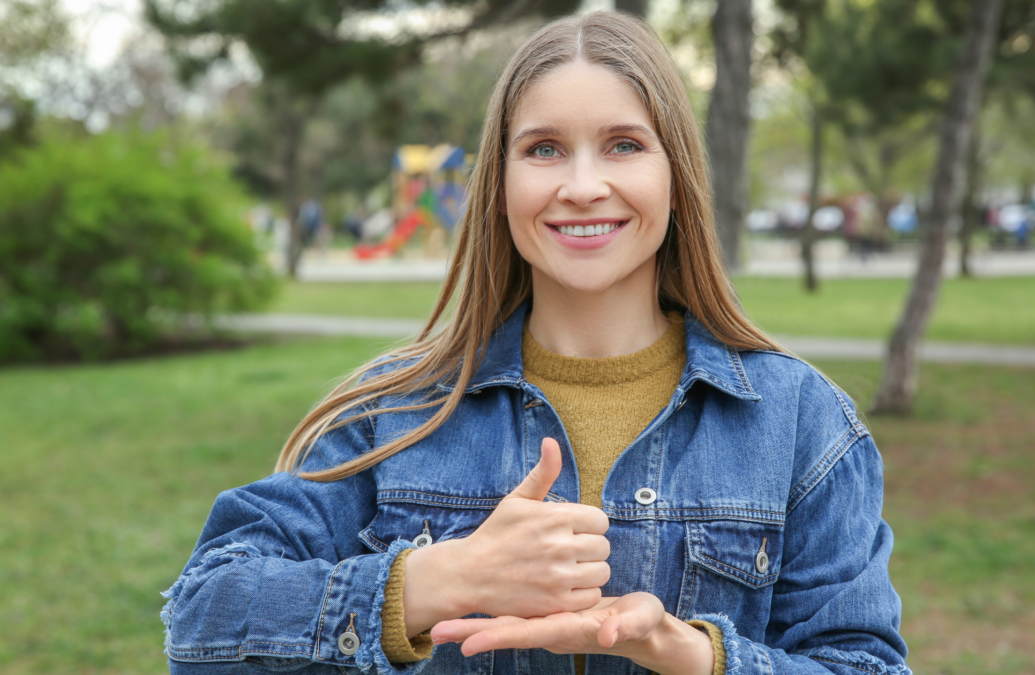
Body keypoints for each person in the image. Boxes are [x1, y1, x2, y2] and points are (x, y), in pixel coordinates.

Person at [161, 12, 909, 675]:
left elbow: (864, 663)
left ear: (675, 174)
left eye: (623, 144)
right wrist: (442, 578)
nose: (583, 185)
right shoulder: (397, 409)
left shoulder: (802, 423)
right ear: (501, 181)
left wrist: (697, 655)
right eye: (544, 149)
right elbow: (201, 619)